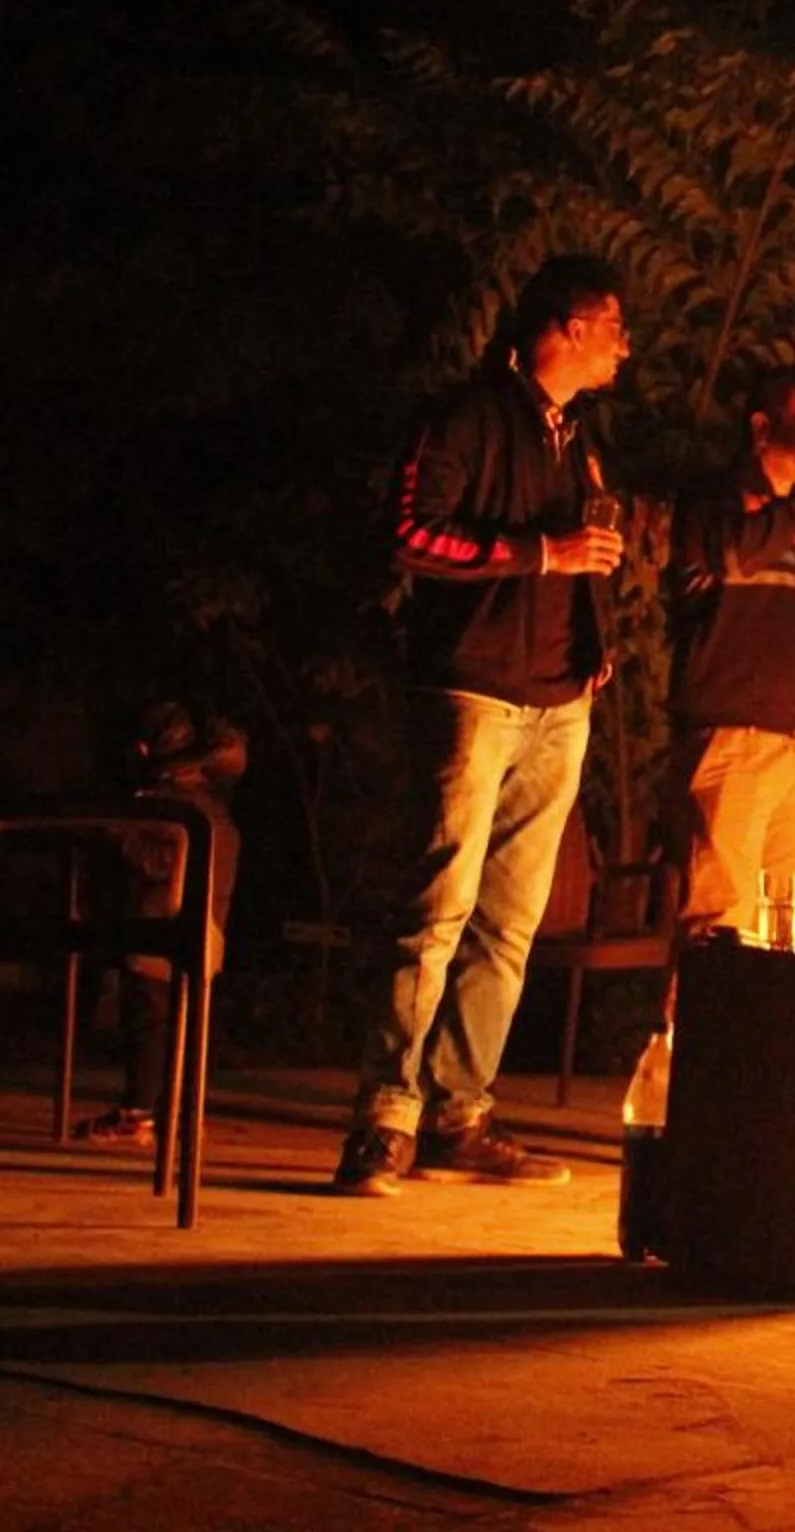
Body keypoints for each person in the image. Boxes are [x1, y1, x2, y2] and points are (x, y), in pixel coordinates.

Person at [333, 256, 630, 1197]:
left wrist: (594, 635)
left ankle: (462, 1113)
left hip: (558, 702)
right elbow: (413, 535)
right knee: (438, 906)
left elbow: (580, 552)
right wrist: (541, 554)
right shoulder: (467, 414)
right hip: (474, 693)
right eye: (615, 325)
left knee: (510, 920)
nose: (626, 346)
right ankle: (384, 1119)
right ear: (570, 327)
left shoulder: (577, 435)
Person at [668, 367, 795, 934]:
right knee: (720, 932)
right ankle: (682, 1026)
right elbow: (736, 558)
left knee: (785, 947)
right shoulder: (718, 501)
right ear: (762, 428)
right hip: (737, 742)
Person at [74, 701, 247, 1149]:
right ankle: (182, 1114)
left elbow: (162, 861)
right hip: (207, 932)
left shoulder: (169, 806)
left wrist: (115, 830)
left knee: (149, 1023)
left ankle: (140, 1113)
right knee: (185, 1025)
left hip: (163, 930)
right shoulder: (213, 805)